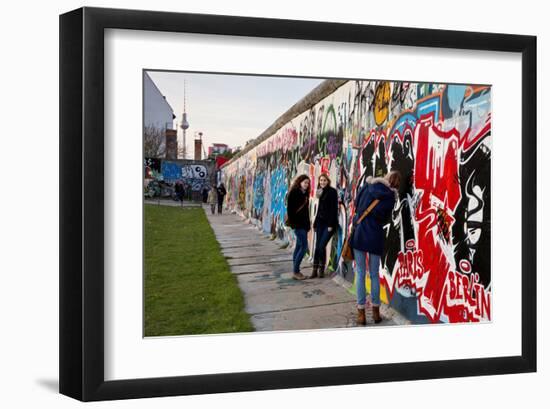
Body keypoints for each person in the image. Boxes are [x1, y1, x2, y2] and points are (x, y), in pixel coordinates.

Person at [350, 171, 401, 325]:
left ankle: (361, 314)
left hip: (360, 233)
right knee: (373, 274)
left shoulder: (367, 186)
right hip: (375, 236)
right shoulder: (391, 197)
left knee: (359, 272)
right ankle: (376, 313)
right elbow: (385, 218)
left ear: (386, 177)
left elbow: (357, 204)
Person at [310, 173, 339, 279]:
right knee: (318, 247)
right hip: (320, 223)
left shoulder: (332, 192)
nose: (322, 182)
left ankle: (321, 269)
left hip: (329, 224)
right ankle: (315, 270)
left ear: (328, 181)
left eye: (324, 180)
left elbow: (334, 209)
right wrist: (315, 222)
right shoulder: (319, 192)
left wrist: (331, 224)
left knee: (321, 246)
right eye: (321, 180)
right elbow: (320, 209)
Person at [285, 174, 311, 281]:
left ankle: (295, 270)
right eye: (305, 182)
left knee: (298, 246)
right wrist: (294, 224)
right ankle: (296, 271)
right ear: (300, 182)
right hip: (298, 225)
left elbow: (305, 211)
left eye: (308, 183)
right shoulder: (295, 193)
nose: (306, 184)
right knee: (304, 247)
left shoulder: (304, 193)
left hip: (303, 224)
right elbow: (290, 211)